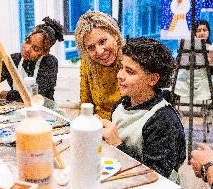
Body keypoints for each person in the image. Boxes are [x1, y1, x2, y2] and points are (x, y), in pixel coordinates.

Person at [100, 37, 186, 182]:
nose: (120, 75)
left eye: (130, 72)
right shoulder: (121, 105)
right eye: (121, 68)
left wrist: (116, 143)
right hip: (122, 175)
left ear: (152, 79)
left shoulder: (163, 120)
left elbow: (155, 175)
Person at [0, 17, 64, 102]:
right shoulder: (13, 60)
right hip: (18, 112)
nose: (27, 49)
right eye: (27, 41)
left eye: (35, 48)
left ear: (45, 52)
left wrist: (8, 95)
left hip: (44, 114)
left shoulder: (50, 62)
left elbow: (35, 95)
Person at [75, 11, 123, 119]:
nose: (100, 51)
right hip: (98, 126)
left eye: (103, 41)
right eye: (91, 47)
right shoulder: (86, 63)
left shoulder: (130, 60)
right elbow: (85, 105)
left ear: (115, 35)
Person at [174, 19, 212, 102]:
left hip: (205, 81)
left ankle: (208, 108)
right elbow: (179, 64)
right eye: (198, 31)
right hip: (187, 80)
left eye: (204, 30)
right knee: (174, 83)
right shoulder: (187, 47)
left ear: (208, 32)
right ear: (194, 33)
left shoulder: (211, 48)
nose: (202, 33)